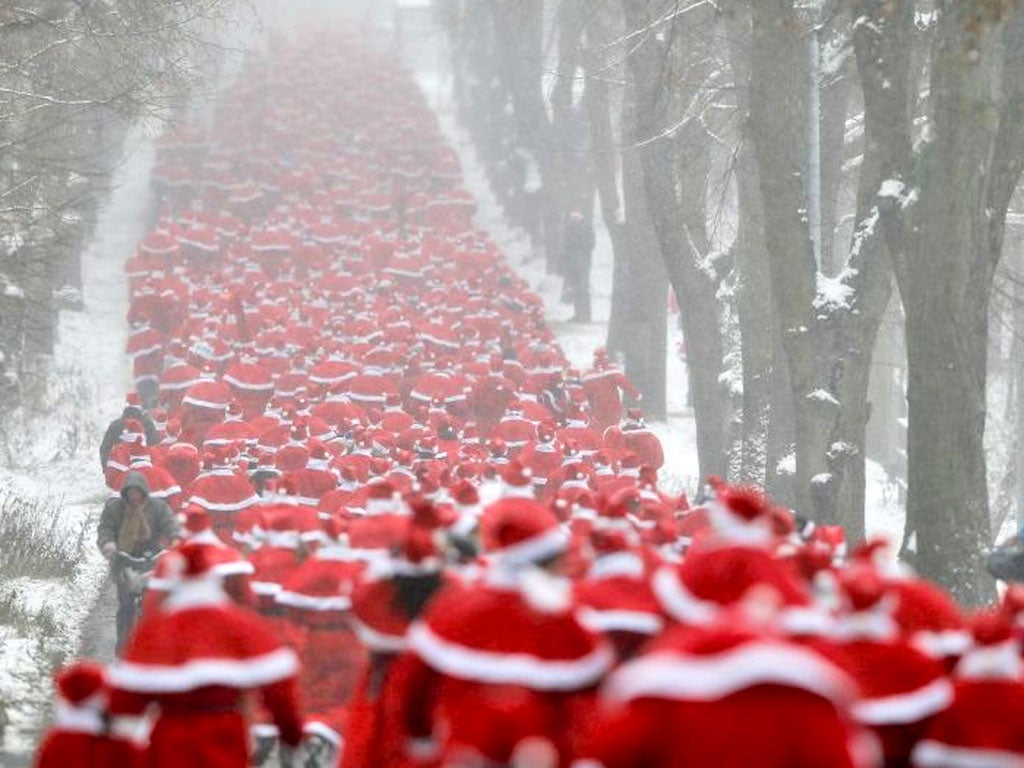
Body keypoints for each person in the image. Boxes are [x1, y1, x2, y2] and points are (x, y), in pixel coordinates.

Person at [97, 471, 179, 650]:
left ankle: (155, 645)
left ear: (144, 491)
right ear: (125, 492)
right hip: (124, 560)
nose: (134, 496)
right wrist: (109, 544)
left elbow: (170, 524)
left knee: (155, 605)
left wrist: (175, 540)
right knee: (126, 606)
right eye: (130, 492)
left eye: (138, 492)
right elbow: (105, 528)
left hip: (152, 559)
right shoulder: (114, 509)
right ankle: (123, 648)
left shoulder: (158, 507)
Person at [99, 394, 159, 469]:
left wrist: (107, 469)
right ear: (139, 405)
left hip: (120, 469)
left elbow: (105, 449)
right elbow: (155, 446)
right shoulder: (148, 424)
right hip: (144, 470)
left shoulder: (115, 425)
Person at [562, 211, 595, 323]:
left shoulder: (586, 228)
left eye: (576, 217)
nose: (574, 219)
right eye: (572, 217)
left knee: (583, 289)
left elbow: (590, 244)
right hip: (573, 264)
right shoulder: (569, 229)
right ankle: (578, 314)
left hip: (583, 264)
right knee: (576, 289)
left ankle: (585, 315)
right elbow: (566, 246)